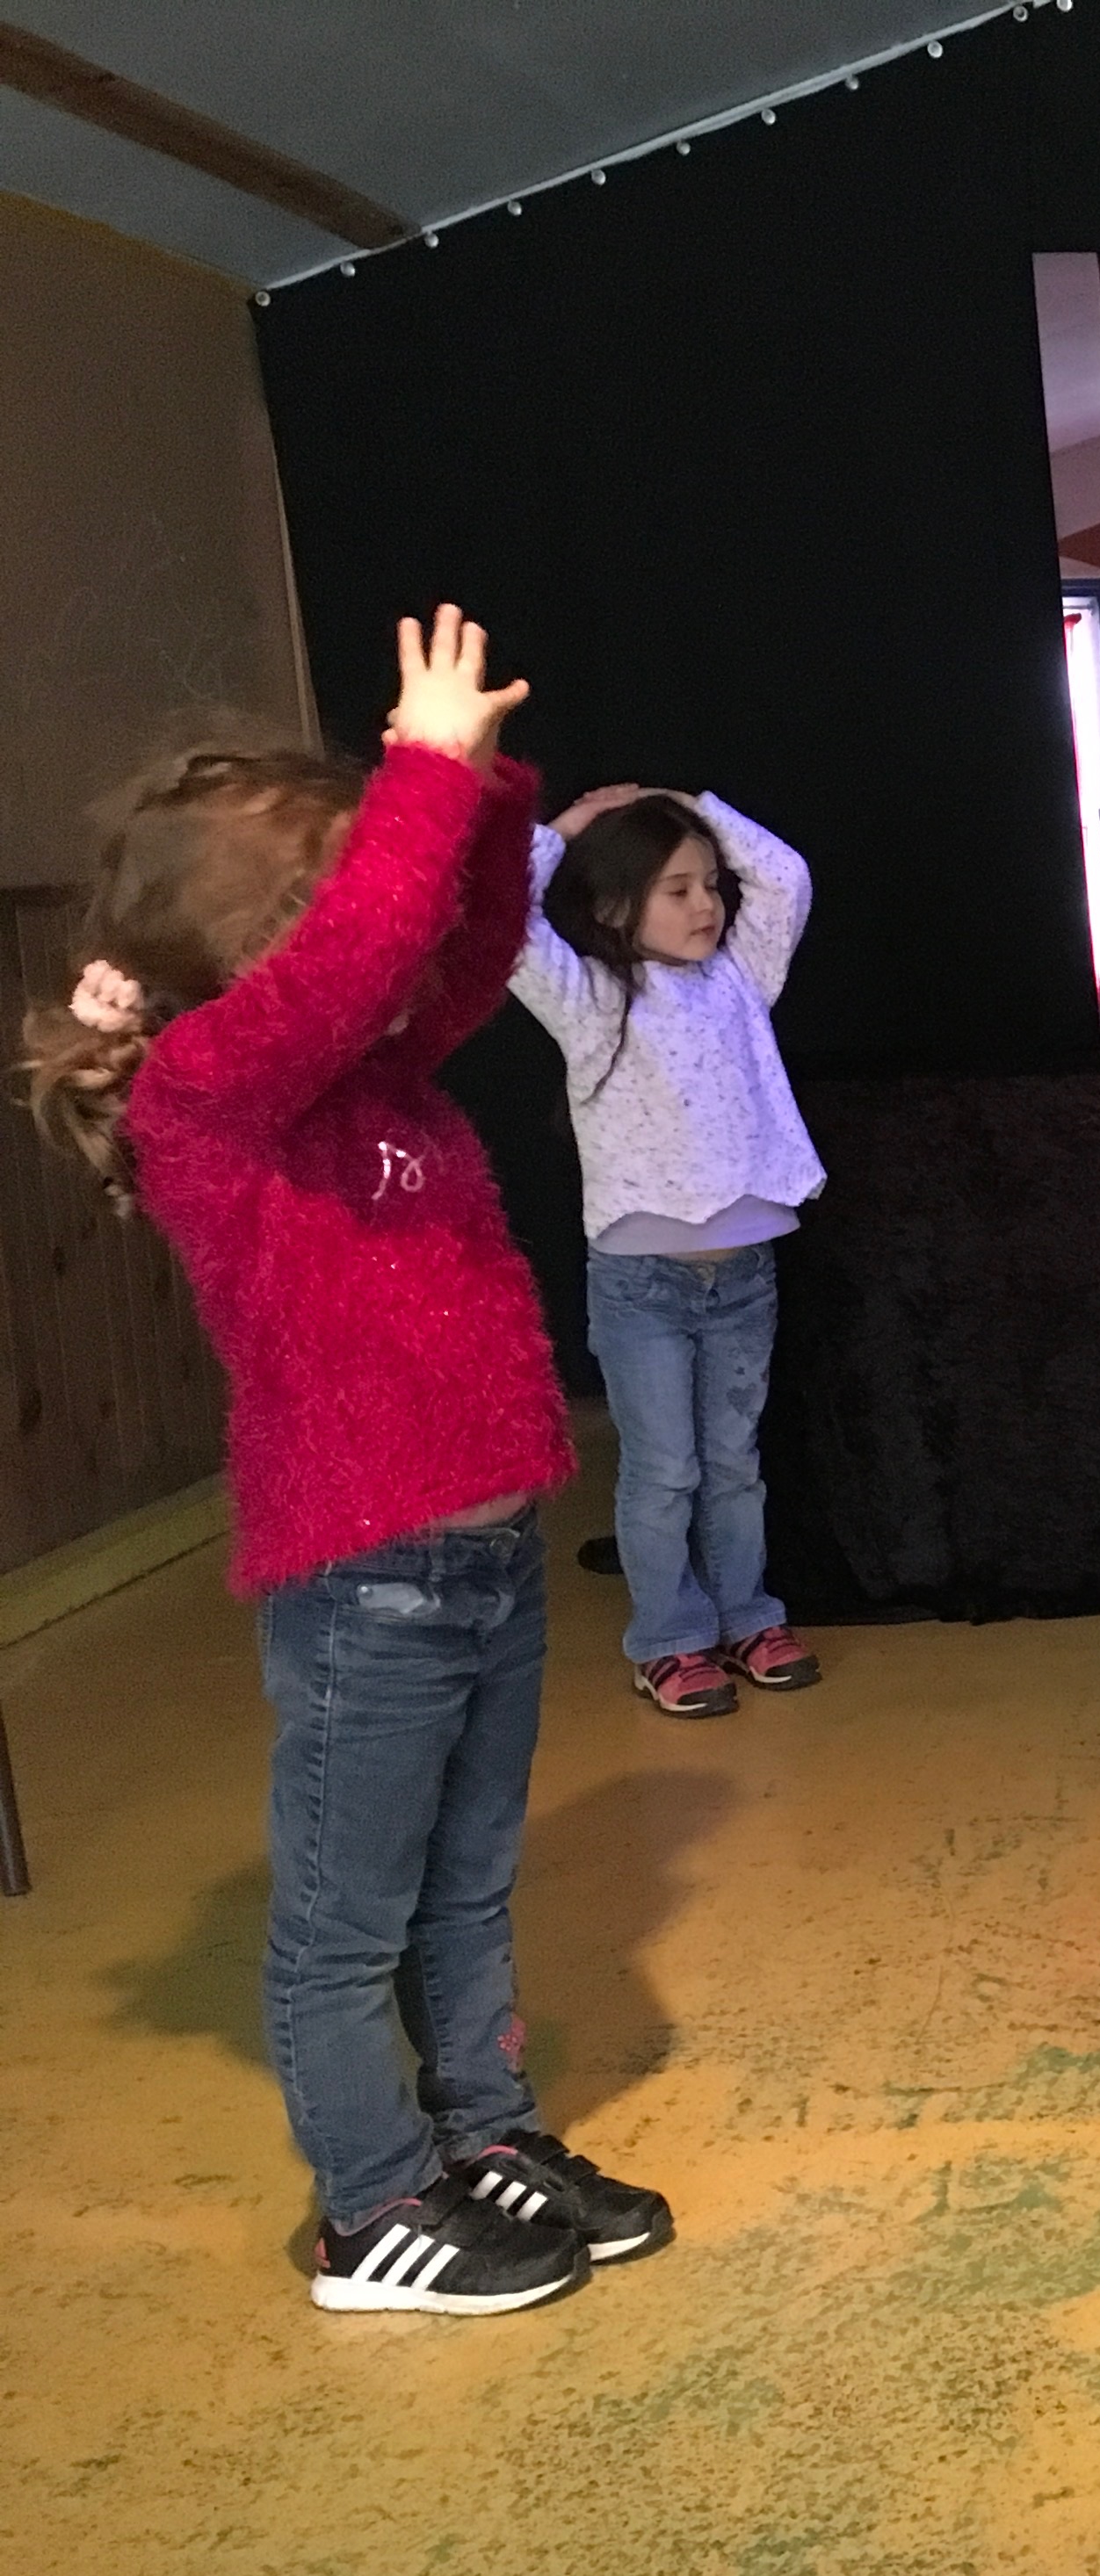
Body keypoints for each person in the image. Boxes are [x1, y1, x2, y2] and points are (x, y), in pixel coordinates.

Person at [20, 608, 670, 2314]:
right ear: (256, 953)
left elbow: (459, 948)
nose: (382, 935)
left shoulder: (370, 1072)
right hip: (369, 1583)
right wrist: (419, 778)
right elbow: (361, 958)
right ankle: (369, 2207)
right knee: (346, 1921)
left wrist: (482, 795)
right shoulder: (210, 1097)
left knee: (468, 1887)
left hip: (482, 1557)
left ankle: (483, 2135)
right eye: (333, 909)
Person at [517, 783, 829, 1718]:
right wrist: (566, 830)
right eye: (677, 890)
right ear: (616, 907)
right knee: (665, 1472)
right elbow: (502, 920)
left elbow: (784, 877)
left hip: (744, 1275)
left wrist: (686, 803)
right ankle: (668, 1640)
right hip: (642, 1284)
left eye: (710, 885)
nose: (707, 905)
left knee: (733, 1463)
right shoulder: (590, 998)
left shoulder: (741, 979)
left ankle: (747, 1618)